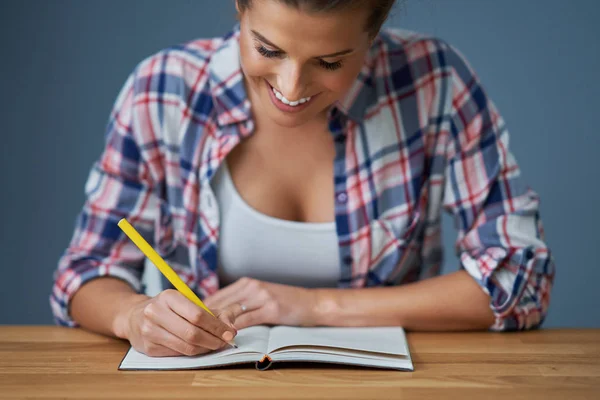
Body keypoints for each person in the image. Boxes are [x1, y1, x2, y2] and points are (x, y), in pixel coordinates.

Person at [51, 0, 555, 357]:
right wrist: (133, 315)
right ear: (240, 10)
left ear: (372, 36)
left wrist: (316, 306)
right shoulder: (162, 91)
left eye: (330, 62)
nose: (291, 88)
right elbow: (85, 271)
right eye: (268, 49)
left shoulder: (434, 82)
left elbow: (521, 278)